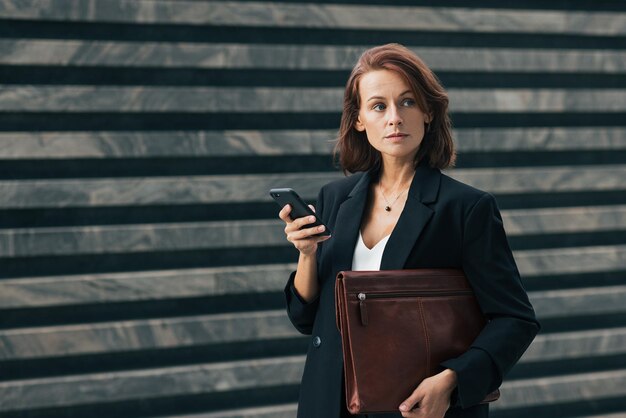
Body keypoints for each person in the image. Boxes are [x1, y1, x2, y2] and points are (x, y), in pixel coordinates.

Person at [278, 43, 540, 418]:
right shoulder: (335, 199)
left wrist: (451, 381)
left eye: (408, 102)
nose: (394, 118)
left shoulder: (466, 208)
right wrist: (307, 255)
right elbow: (306, 320)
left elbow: (515, 320)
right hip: (328, 403)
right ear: (359, 119)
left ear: (429, 112)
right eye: (379, 106)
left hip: (416, 408)